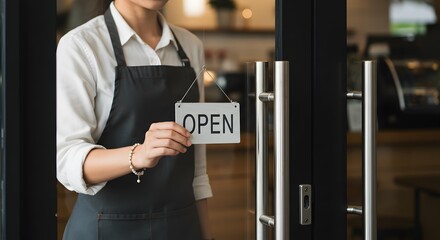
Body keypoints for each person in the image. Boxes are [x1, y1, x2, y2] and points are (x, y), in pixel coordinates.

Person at [56, 0, 213, 239]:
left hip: (183, 228)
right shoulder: (81, 46)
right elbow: (67, 160)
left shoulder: (191, 46)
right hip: (106, 229)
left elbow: (197, 171)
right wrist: (138, 154)